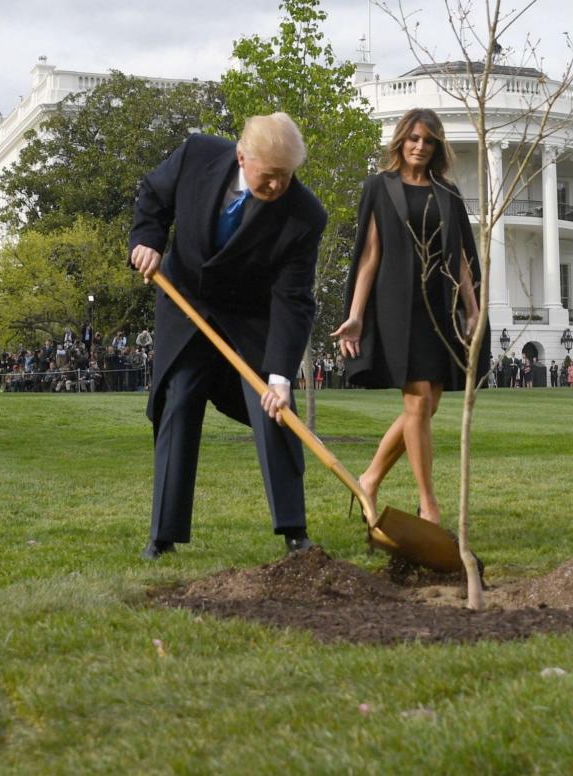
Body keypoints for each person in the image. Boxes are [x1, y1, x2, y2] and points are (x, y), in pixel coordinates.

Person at [129, 112, 327, 559]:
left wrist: (280, 374)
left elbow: (293, 297)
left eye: (286, 177)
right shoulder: (197, 155)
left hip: (250, 317)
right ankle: (163, 535)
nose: (278, 187)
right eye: (269, 176)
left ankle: (295, 531)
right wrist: (147, 240)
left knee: (274, 411)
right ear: (242, 156)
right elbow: (153, 196)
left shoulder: (306, 215)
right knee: (178, 401)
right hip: (186, 303)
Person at [333, 108, 487, 526]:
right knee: (417, 399)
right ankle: (429, 506)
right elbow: (369, 256)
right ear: (401, 140)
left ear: (437, 147)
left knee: (428, 404)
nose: (420, 146)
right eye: (414, 138)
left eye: (429, 141)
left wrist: (472, 310)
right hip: (398, 305)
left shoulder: (447, 192)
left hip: (439, 305)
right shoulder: (379, 187)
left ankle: (369, 478)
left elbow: (460, 258)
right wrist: (356, 316)